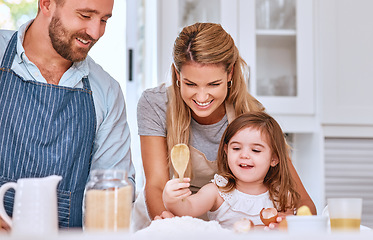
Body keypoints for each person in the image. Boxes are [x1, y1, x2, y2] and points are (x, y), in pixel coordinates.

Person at [132, 22, 315, 230]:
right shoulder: (155, 104)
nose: (201, 97)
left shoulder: (250, 114)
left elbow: (305, 204)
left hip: (224, 224)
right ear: (177, 75)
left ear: (229, 74)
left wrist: (286, 222)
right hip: (171, 214)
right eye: (190, 84)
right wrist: (169, 226)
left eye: (213, 84)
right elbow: (156, 185)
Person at [0, 0, 135, 230]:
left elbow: (112, 190)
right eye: (85, 15)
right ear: (46, 4)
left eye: (104, 20)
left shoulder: (107, 91)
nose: (95, 32)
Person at [162, 112, 300, 229]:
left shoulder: (282, 195)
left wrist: (287, 222)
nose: (244, 155)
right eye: (236, 148)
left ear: (274, 159)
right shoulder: (217, 192)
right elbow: (188, 209)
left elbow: (291, 229)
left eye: (255, 150)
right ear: (226, 150)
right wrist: (171, 200)